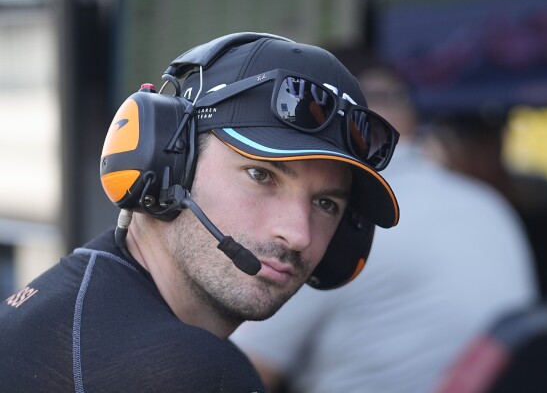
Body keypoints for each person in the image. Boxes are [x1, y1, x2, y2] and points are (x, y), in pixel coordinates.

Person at [0, 33, 401, 391]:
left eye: (326, 204)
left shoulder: (67, 307)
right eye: (261, 175)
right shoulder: (188, 371)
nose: (298, 234)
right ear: (167, 162)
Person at [231, 53, 539, 393]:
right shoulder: (491, 204)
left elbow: (244, 372)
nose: (300, 233)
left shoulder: (335, 223)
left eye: (326, 203)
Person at [420, 111, 547, 297]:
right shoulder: (440, 201)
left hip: (544, 304)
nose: (483, 155)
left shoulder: (539, 189)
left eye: (491, 140)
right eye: (471, 144)